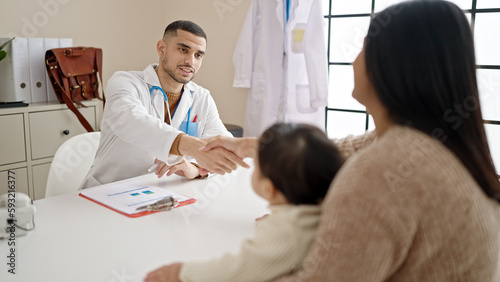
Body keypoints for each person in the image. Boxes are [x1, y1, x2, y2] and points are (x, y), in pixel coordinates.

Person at [198, 1, 500, 280]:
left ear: (392, 66)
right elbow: (340, 150)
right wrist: (250, 146)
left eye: (365, 45)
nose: (354, 58)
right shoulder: (432, 142)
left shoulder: (382, 170)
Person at [144, 123, 345, 282]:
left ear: (269, 188)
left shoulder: (287, 231)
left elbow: (238, 269)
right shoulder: (318, 212)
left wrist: (183, 273)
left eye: (256, 164)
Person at [80, 20, 247, 189]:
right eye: (183, 50)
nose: (191, 62)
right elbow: (130, 121)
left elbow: (225, 151)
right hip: (106, 192)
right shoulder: (124, 82)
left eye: (198, 55)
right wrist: (188, 146)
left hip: (159, 195)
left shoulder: (201, 97)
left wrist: (196, 169)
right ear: (161, 49)